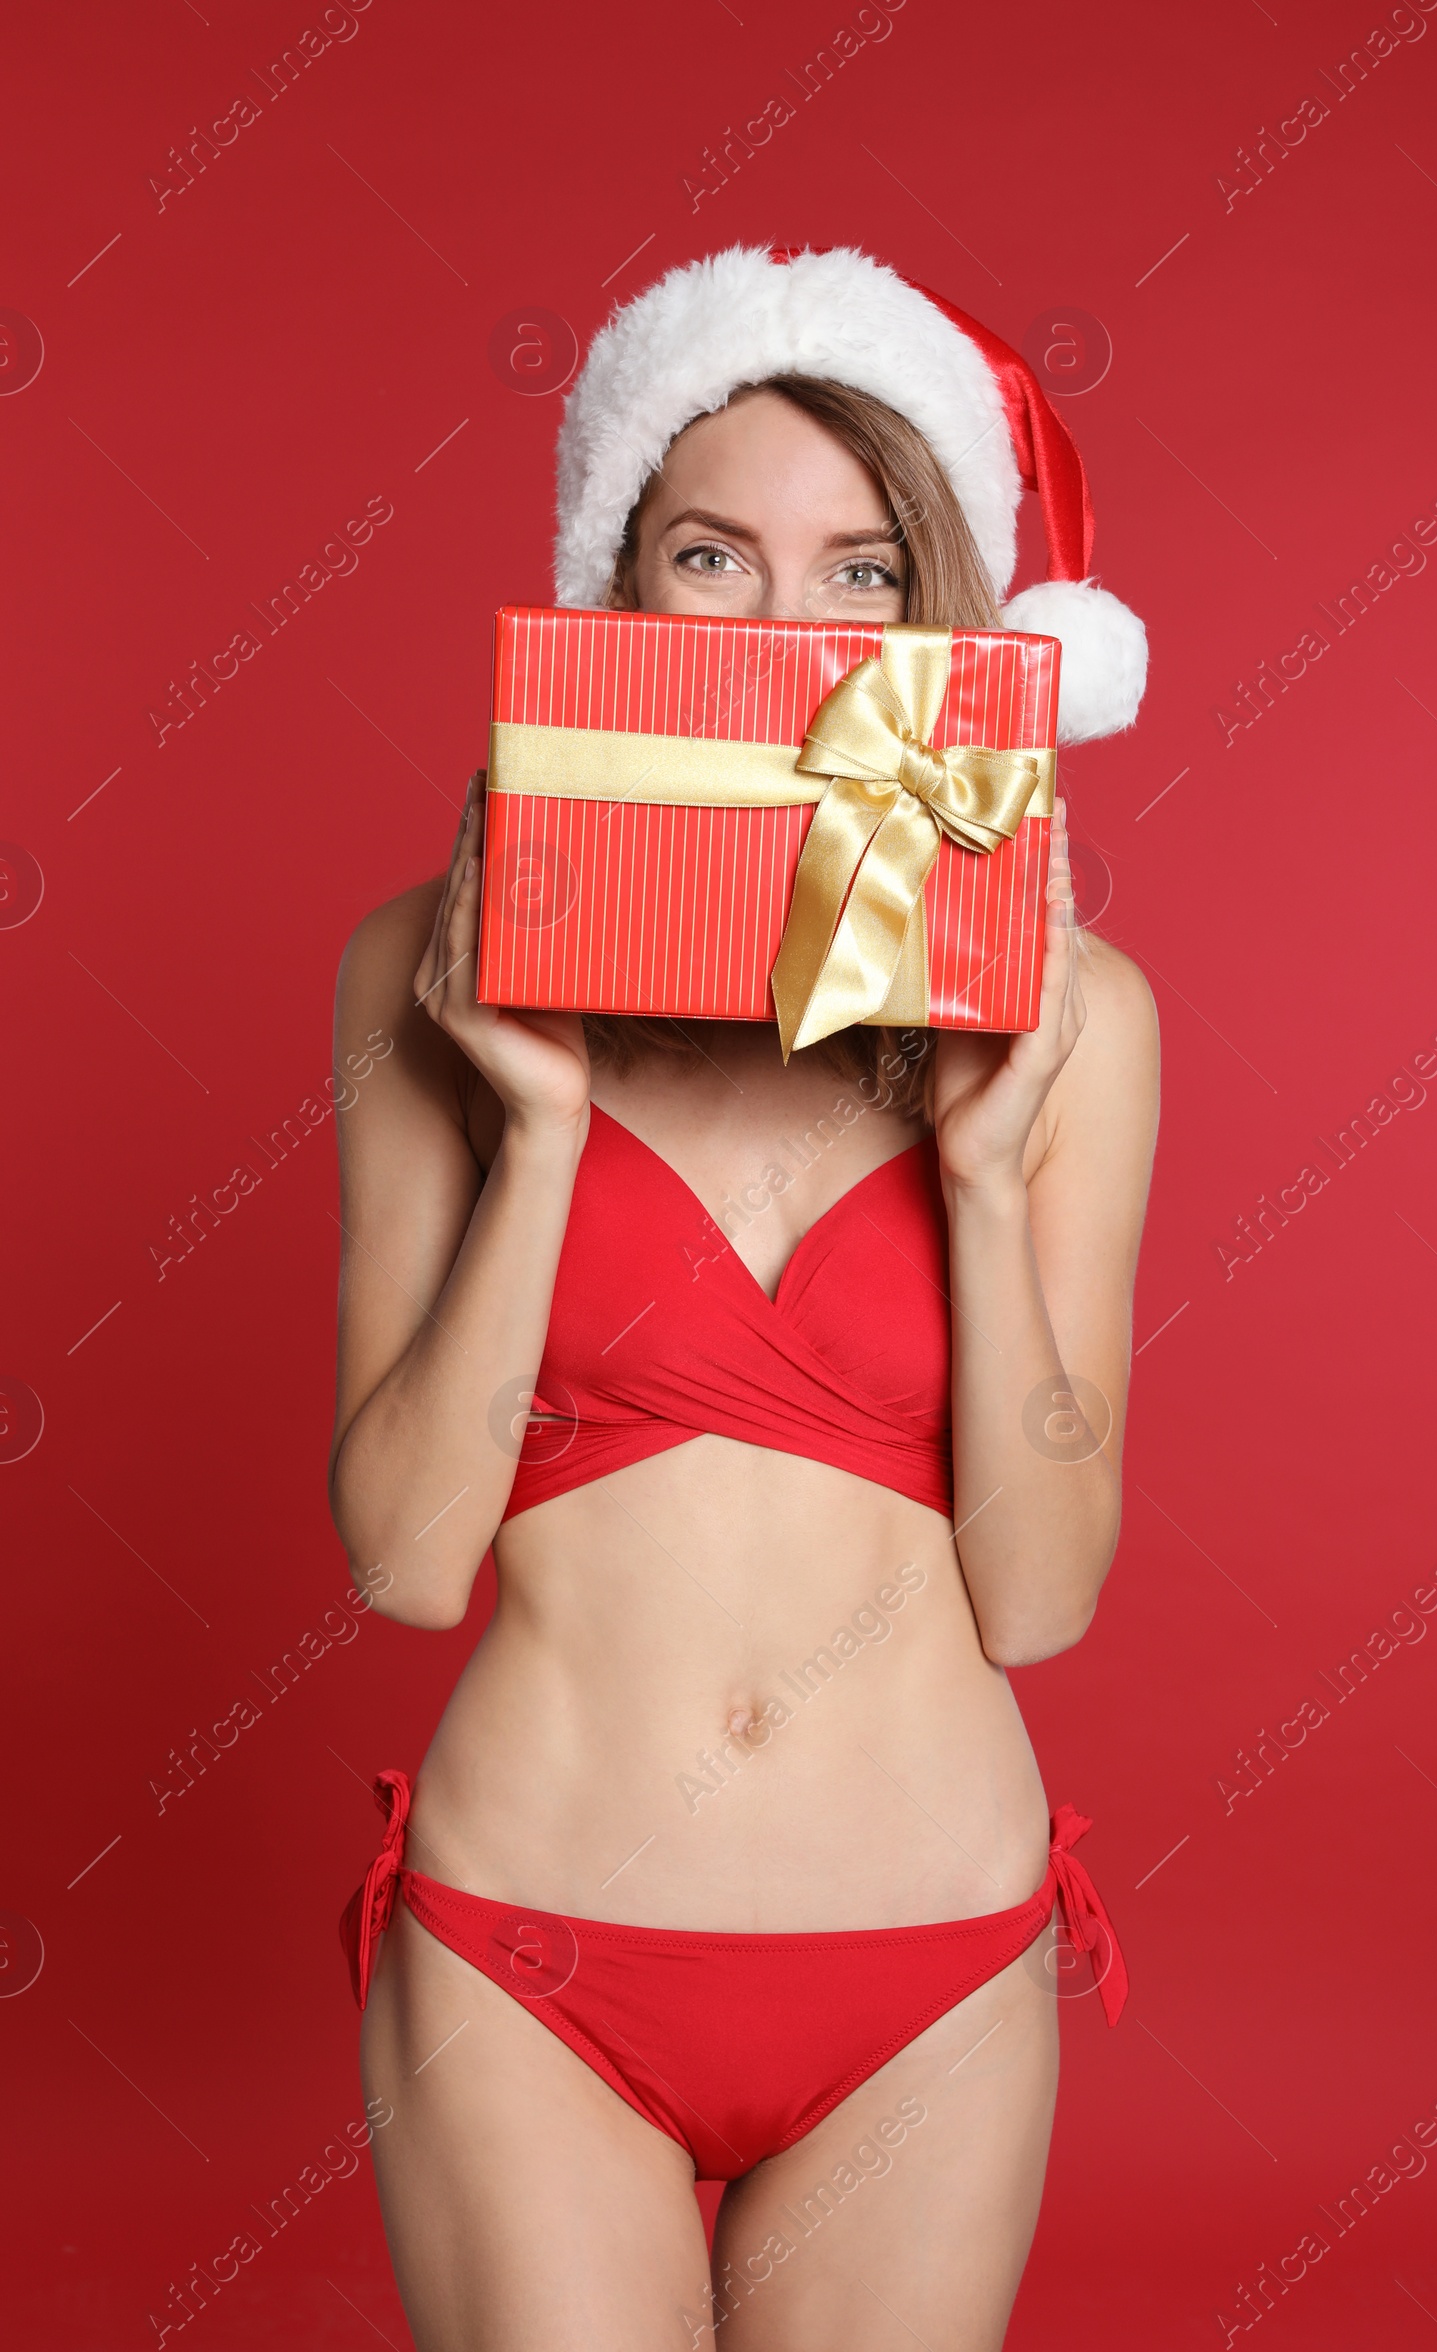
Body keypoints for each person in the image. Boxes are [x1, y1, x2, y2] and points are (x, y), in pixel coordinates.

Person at [330, 245, 1158, 2351]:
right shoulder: (412, 971)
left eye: (862, 572)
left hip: (928, 1969)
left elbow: (1040, 1596)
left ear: (941, 620)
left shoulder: (1082, 1022)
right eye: (714, 554)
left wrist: (982, 1165)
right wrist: (531, 1123)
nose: (791, 635)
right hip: (535, 1954)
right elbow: (407, 1561)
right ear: (615, 593)